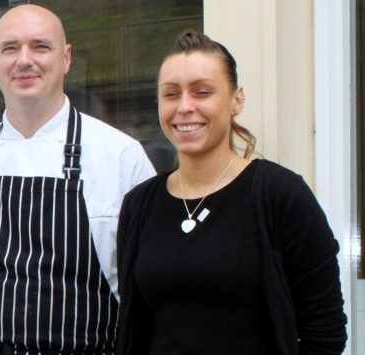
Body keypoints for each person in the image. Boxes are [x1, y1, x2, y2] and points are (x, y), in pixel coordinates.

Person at [116, 31, 347, 355]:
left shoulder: (281, 196)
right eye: (171, 94)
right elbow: (136, 329)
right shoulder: (139, 205)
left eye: (202, 92)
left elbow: (325, 333)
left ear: (236, 99)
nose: (184, 107)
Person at [0, 4, 155, 354]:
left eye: (40, 46)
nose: (24, 60)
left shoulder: (120, 156)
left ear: (67, 58)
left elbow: (148, 288)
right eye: (10, 48)